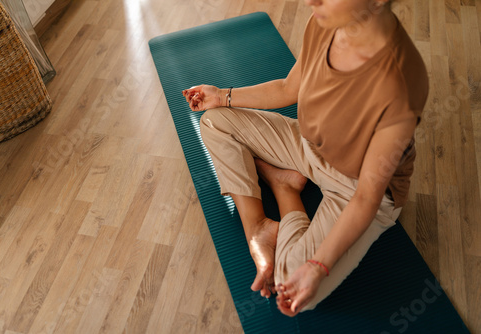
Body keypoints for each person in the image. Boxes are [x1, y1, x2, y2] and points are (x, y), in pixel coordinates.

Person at [182, 0, 428, 317]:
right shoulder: (323, 21)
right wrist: (223, 96)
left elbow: (367, 195)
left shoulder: (400, 82)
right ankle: (258, 226)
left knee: (292, 286)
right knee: (214, 121)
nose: (312, 0)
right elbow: (288, 88)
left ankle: (284, 189)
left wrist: (317, 266)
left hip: (355, 187)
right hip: (308, 146)